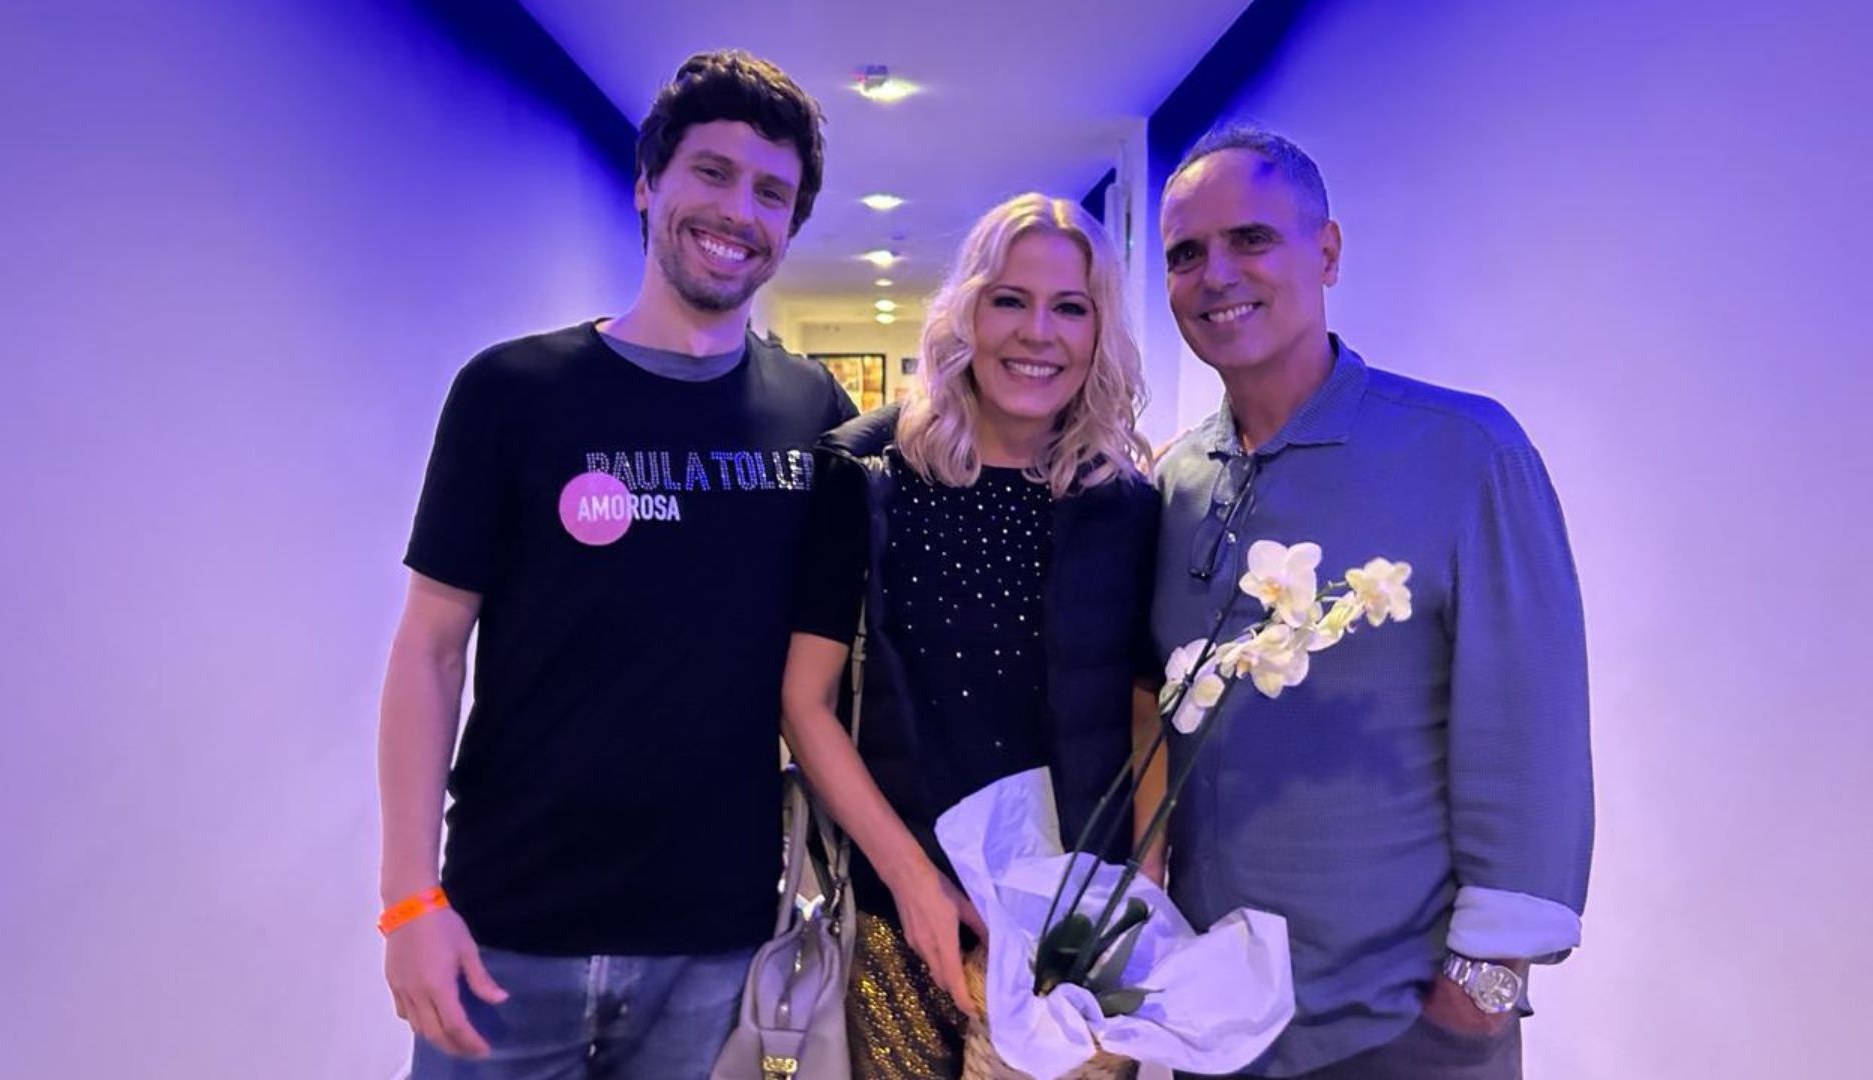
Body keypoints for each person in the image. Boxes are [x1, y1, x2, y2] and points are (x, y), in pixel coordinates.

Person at [376, 50, 855, 1079]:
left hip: (714, 945)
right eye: (712, 172)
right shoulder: (512, 391)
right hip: (507, 932)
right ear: (647, 184)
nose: (738, 211)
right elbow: (429, 650)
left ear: (790, 228)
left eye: (771, 193)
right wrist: (409, 898)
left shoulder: (814, 415)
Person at [1150, 123, 1594, 1080]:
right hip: (1212, 1026)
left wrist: (1476, 999)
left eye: (1250, 239)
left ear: (1327, 252)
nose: (1216, 274)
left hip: (1396, 1030)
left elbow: (1531, 734)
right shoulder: (1177, 480)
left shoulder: (1465, 452)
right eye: (1186, 254)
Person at [782, 193, 1165, 1080]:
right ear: (966, 312)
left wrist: (1143, 887)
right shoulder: (866, 474)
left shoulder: (1125, 503)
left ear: (1100, 331)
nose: (1038, 333)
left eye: (1070, 307)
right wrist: (912, 879)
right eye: (1009, 300)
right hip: (903, 917)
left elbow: (1146, 709)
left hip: (1074, 937)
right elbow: (803, 703)